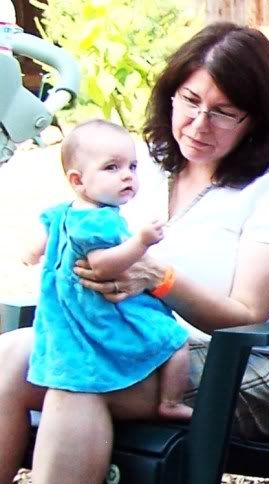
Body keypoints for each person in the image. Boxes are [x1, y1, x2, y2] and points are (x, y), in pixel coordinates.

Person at [0, 20, 269, 484]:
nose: (200, 126)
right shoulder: (139, 169)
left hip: (254, 369)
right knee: (11, 353)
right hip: (143, 347)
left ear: (256, 117)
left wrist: (158, 278)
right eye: (191, 102)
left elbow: (246, 316)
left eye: (225, 112)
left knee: (75, 378)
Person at [23, 118, 190, 421]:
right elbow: (101, 266)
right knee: (176, 340)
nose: (127, 176)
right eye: (112, 168)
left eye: (133, 167)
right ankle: (171, 402)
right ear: (78, 180)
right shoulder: (101, 221)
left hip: (72, 311)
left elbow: (43, 235)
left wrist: (32, 253)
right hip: (105, 313)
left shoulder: (67, 210)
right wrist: (141, 243)